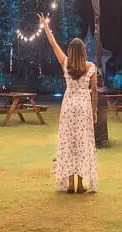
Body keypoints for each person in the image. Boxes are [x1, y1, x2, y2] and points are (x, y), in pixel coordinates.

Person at [38, 13, 98, 194]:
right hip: (84, 107)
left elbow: (53, 43)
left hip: (69, 107)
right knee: (82, 143)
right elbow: (94, 91)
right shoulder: (91, 67)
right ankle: (80, 184)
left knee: (68, 143)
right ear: (84, 51)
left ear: (71, 52)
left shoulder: (65, 63)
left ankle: (70, 183)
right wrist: (94, 111)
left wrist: (45, 25)